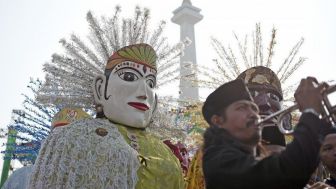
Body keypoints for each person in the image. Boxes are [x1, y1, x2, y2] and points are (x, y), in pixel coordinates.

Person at [28, 43, 184, 189]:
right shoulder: (72, 137)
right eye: (129, 77)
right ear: (100, 88)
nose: (144, 92)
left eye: (150, 83)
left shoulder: (166, 153)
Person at [202, 77, 330, 189]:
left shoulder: (251, 159)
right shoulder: (218, 159)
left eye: (254, 108)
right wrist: (311, 111)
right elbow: (286, 172)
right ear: (218, 121)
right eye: (241, 108)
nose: (253, 114)